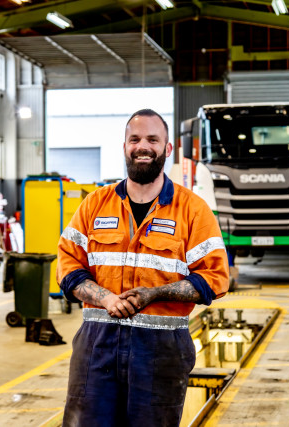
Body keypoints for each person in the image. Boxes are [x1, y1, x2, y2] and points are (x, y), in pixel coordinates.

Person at [57, 108, 229, 426]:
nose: (143, 146)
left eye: (152, 139)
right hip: (97, 346)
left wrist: (155, 294)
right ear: (125, 146)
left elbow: (214, 278)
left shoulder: (193, 210)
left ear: (167, 148)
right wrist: (106, 298)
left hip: (161, 352)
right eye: (134, 139)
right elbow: (67, 266)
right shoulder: (94, 204)